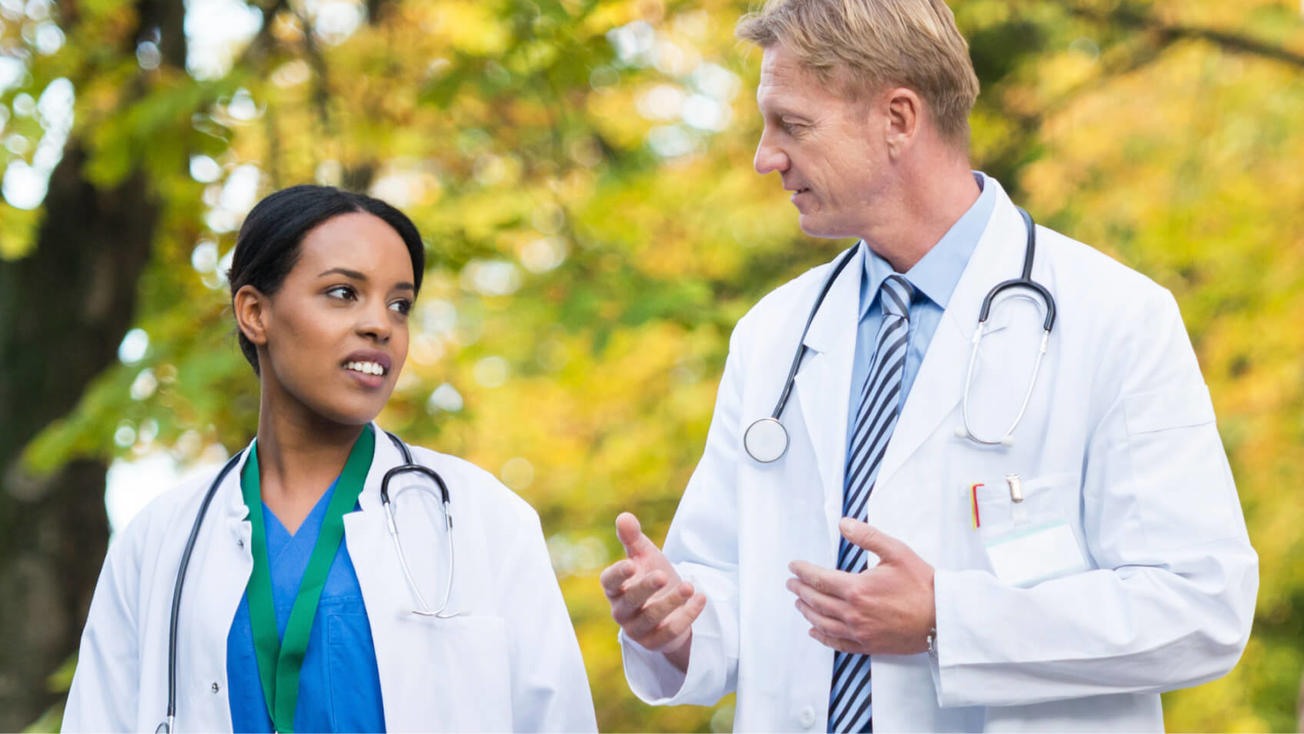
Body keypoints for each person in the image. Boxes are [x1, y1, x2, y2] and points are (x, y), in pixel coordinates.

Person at [600, 0, 1257, 731]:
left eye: (792, 124)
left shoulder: (1116, 318)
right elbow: (727, 595)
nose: (766, 157)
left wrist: (951, 619)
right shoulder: (773, 335)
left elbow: (1202, 608)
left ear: (899, 119)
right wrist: (674, 621)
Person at [64, 185, 597, 732]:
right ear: (254, 313)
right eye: (344, 293)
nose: (381, 325)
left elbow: (558, 718)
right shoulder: (158, 541)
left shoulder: (483, 517)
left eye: (400, 304)